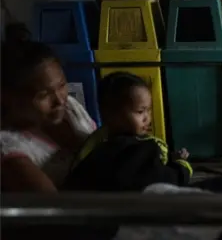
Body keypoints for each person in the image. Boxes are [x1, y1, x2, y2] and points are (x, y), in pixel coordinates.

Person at [63, 72, 193, 191]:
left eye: (149, 110)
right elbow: (163, 179)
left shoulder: (95, 141)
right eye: (140, 112)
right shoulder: (136, 149)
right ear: (111, 115)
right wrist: (182, 166)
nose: (147, 117)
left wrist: (170, 158)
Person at [0, 41, 96, 193]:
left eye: (62, 85)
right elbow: (54, 209)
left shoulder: (70, 108)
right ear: (7, 97)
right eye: (44, 95)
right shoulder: (9, 148)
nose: (59, 100)